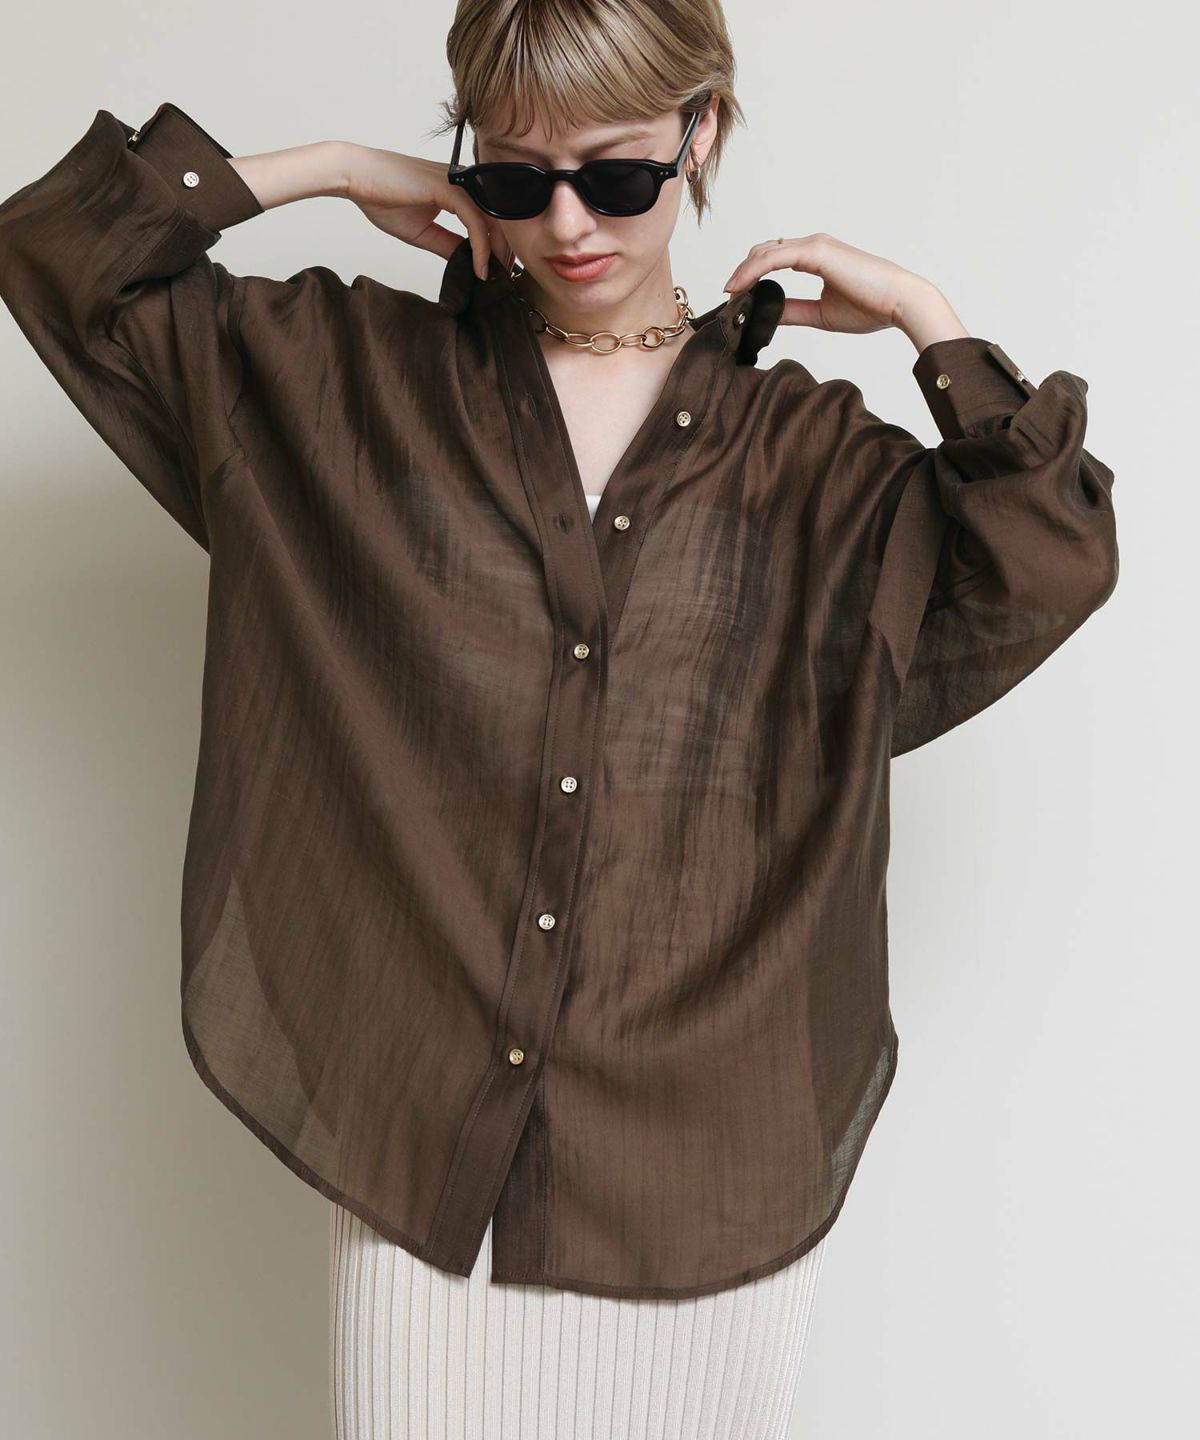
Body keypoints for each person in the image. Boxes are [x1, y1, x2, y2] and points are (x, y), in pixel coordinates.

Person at [0, 2, 1118, 1436]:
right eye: (518, 177)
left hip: (703, 1167)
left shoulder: (814, 467)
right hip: (427, 1157)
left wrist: (927, 320)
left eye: (620, 172)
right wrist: (333, 167)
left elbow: (1047, 558)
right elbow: (61, 259)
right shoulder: (349, 383)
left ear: (700, 133)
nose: (570, 223)